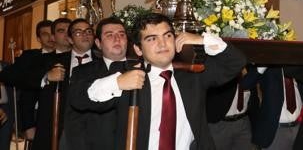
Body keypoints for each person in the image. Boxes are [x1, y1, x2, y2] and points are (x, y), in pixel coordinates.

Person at [79, 12, 246, 149]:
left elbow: (236, 62)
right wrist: (118, 83)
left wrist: (204, 40)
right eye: (151, 39)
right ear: (138, 48)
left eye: (167, 36)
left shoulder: (193, 75)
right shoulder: (129, 76)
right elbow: (80, 98)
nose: (162, 43)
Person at [66, 16, 128, 150]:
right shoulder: (82, 72)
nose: (117, 39)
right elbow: (74, 121)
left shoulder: (140, 69)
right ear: (98, 43)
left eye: (121, 35)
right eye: (109, 35)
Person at [32, 18, 94, 150]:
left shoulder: (102, 60)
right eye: (78, 32)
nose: (85, 34)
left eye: (88, 31)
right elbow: (24, 81)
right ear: (70, 39)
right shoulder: (52, 61)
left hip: (91, 130)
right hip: (57, 127)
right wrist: (47, 77)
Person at [0, 19, 56, 143]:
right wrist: (28, 125)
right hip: (35, 115)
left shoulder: (67, 55)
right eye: (44, 34)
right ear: (38, 39)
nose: (50, 37)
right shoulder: (30, 56)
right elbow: (8, 77)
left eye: (52, 33)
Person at [245, 65, 303, 149]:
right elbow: (246, 84)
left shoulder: (297, 66)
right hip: (275, 131)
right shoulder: (269, 68)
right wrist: (261, 68)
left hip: (298, 128)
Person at [206, 65, 257, 149]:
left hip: (244, 121)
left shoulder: (251, 67)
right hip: (220, 123)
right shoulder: (221, 64)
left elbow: (254, 96)